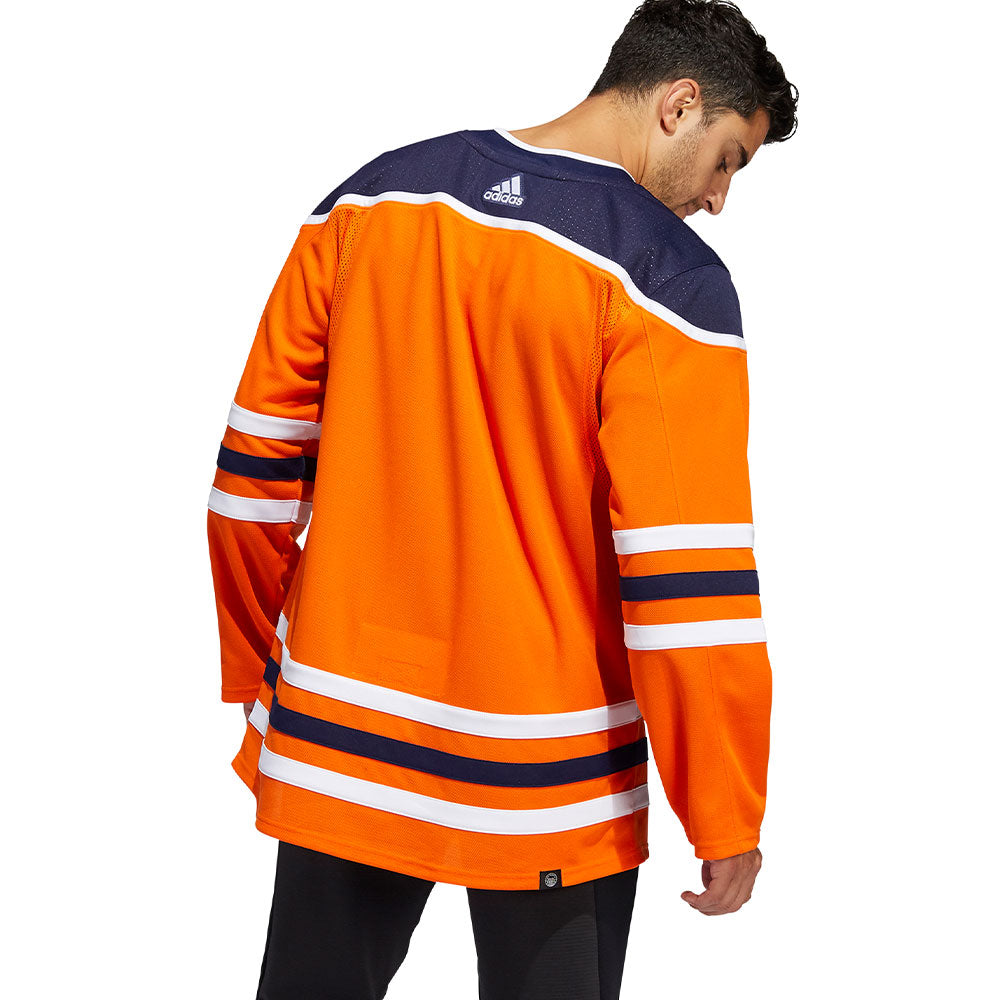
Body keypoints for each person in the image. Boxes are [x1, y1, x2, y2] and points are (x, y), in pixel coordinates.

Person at [205, 1, 798, 996]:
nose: (718, 197)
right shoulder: (666, 278)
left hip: (339, 735)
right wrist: (724, 809)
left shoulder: (370, 200)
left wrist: (257, 670)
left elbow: (251, 481)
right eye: (728, 158)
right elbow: (687, 583)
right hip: (548, 777)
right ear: (679, 104)